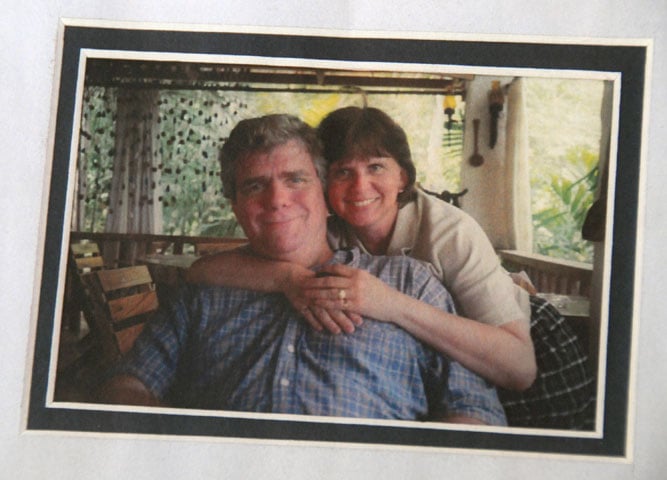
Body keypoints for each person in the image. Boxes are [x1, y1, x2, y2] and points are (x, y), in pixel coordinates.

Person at [98, 113, 507, 426]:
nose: (277, 200)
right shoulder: (201, 297)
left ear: (326, 195)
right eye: (255, 186)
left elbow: (474, 408)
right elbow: (129, 383)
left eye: (295, 179)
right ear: (236, 206)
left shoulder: (411, 282)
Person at [186, 106, 537, 392]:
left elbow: (520, 368)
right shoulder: (331, 230)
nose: (359, 186)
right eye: (342, 172)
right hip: (455, 360)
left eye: (376, 167)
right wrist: (289, 279)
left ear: (403, 176)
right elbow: (202, 271)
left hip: (520, 345)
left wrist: (390, 304)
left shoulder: (450, 232)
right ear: (324, 184)